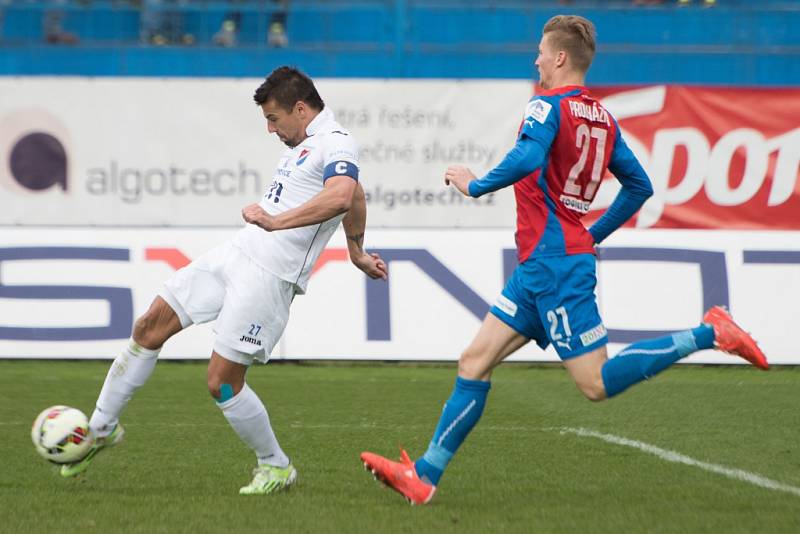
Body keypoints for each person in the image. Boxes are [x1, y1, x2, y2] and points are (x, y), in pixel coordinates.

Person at [360, 14, 768, 505]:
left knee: (595, 383)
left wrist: (476, 184)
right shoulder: (604, 118)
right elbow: (639, 187)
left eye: (540, 51)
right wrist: (590, 233)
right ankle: (424, 477)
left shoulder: (546, 106)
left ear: (559, 57)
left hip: (555, 268)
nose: (535, 59)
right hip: (544, 265)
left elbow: (529, 159)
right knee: (474, 360)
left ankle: (711, 332)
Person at [59, 66, 388, 495]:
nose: (271, 129)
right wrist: (357, 251)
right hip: (238, 254)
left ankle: (275, 466)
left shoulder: (337, 141)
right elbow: (357, 197)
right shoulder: (302, 144)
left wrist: (276, 221)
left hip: (271, 276)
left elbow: (344, 195)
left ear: (301, 109)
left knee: (223, 382)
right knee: (148, 327)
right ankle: (101, 427)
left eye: (274, 119)